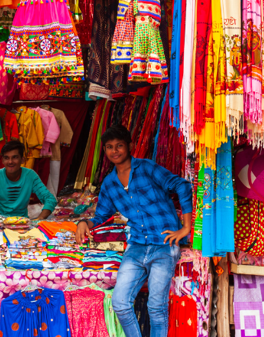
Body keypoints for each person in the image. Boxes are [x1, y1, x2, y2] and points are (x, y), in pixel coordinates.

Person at [76, 124, 193, 337]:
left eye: (119, 145)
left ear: (129, 146)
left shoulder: (147, 168)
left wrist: (185, 227)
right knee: (120, 303)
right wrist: (84, 223)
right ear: (105, 150)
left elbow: (182, 186)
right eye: (110, 147)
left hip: (164, 245)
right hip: (137, 246)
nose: (115, 151)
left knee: (156, 307)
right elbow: (101, 217)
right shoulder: (109, 184)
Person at [0, 140, 58, 219]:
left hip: (22, 223)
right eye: (7, 158)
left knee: (51, 218)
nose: (10, 162)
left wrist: (40, 218)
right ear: (3, 160)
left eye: (15, 157)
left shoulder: (30, 175)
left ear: (22, 159)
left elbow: (50, 199)